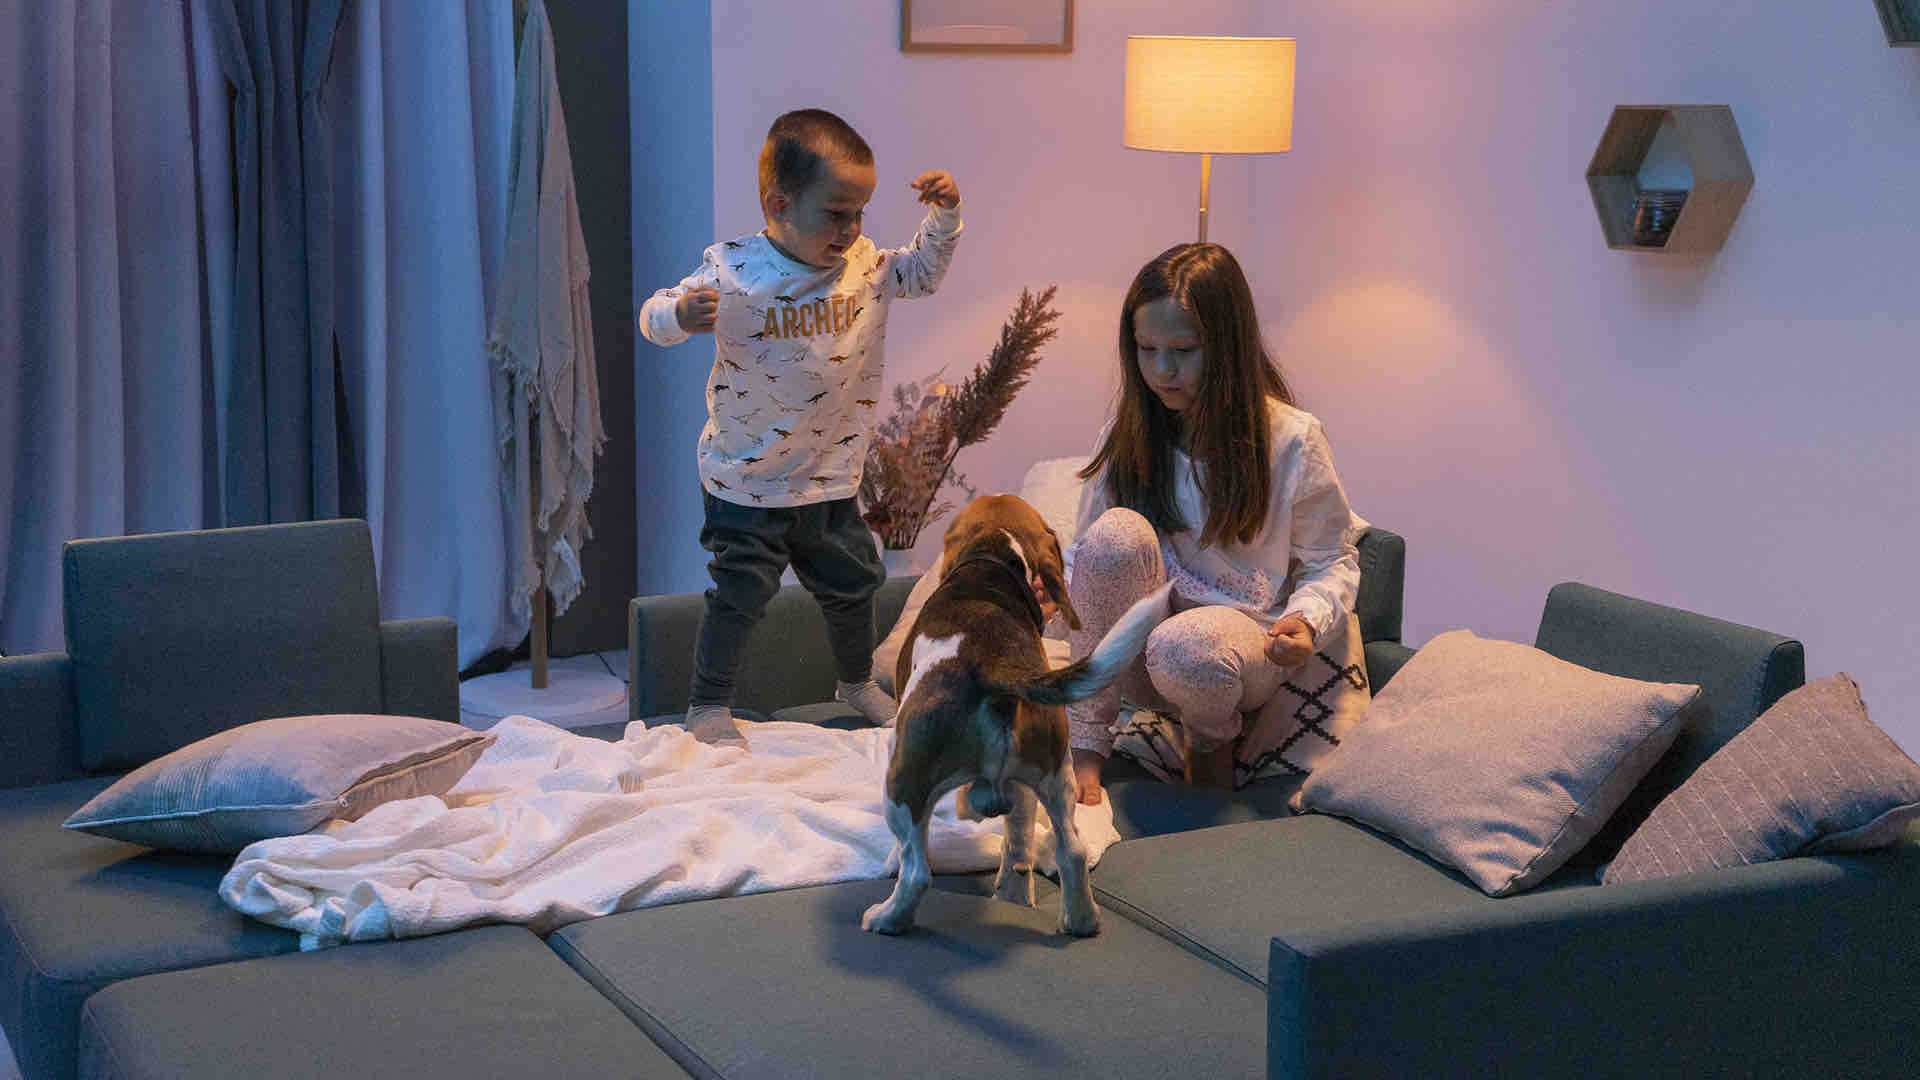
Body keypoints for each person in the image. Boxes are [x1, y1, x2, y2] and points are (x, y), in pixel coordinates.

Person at [639, 108, 962, 745]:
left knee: (855, 586)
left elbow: (923, 273)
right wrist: (678, 315)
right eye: (836, 214)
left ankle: (854, 682)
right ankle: (708, 704)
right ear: (778, 204)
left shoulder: (866, 265)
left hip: (831, 477)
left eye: (860, 212)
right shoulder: (733, 269)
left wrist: (944, 216)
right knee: (740, 594)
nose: (851, 229)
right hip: (746, 480)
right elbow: (652, 316)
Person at [1063, 242, 1368, 801]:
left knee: (1189, 644)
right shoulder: (1129, 431)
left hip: (1235, 651)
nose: (1161, 370)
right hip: (1140, 652)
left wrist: (1306, 620)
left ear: (1227, 347)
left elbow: (1332, 560)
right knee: (1113, 536)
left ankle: (1210, 746)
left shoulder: (1292, 440)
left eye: (1183, 351)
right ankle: (1085, 743)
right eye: (1146, 349)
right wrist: (1058, 591)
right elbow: (1088, 554)